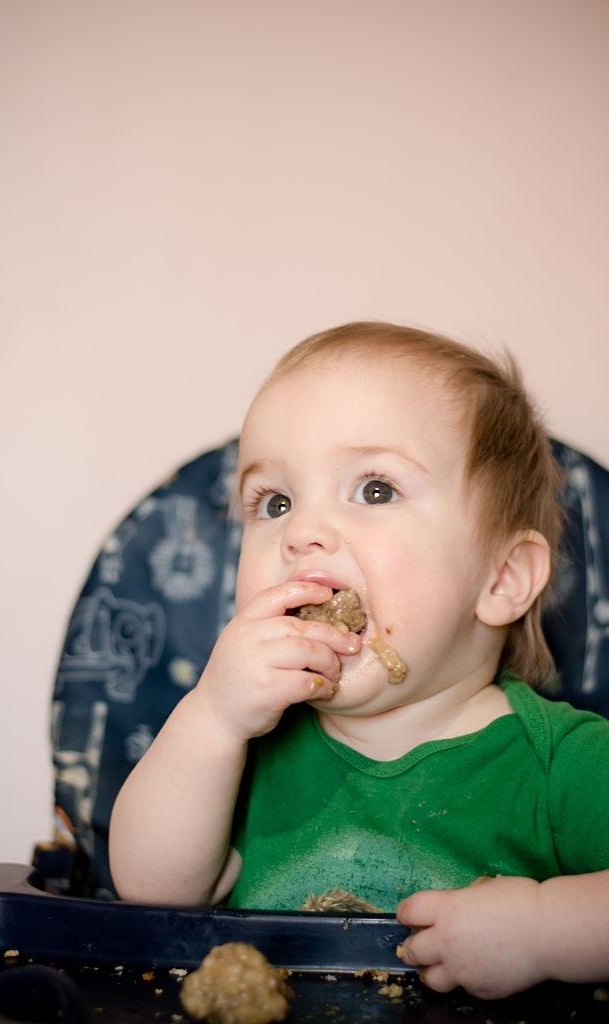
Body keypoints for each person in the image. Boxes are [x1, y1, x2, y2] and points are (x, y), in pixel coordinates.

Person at [109, 321, 609, 999]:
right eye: (275, 503)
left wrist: (546, 931)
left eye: (375, 490)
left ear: (501, 578)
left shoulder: (562, 763)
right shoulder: (245, 746)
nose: (301, 534)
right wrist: (213, 718)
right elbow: (151, 893)